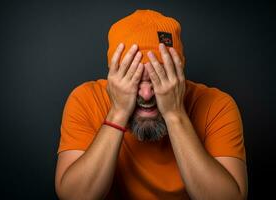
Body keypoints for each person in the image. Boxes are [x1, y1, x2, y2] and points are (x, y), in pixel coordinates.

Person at [55, 9, 248, 200]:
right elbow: (73, 196)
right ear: (113, 75)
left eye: (160, 78)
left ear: (179, 74)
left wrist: (175, 114)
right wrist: (118, 112)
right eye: (134, 79)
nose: (146, 94)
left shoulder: (217, 105)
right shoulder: (86, 99)